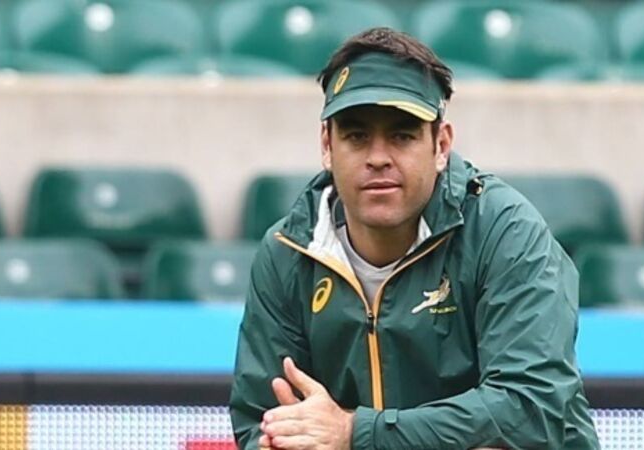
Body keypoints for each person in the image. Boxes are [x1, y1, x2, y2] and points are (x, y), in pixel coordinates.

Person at [229, 27, 600, 449]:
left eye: (402, 135)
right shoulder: (286, 252)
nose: (378, 157)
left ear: (441, 145)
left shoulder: (505, 231)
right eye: (356, 136)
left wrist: (356, 433)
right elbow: (260, 419)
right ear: (327, 145)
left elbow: (528, 410)